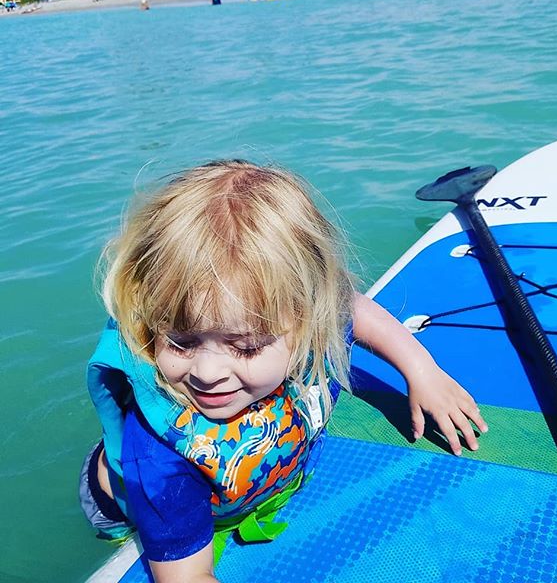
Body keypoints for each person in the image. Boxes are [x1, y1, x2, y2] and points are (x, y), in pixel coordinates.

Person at [79, 161, 487, 582]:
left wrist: (421, 370)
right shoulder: (163, 456)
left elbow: (353, 306)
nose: (206, 372)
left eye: (246, 346)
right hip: (129, 496)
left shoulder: (310, 315)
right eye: (180, 342)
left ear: (310, 317)